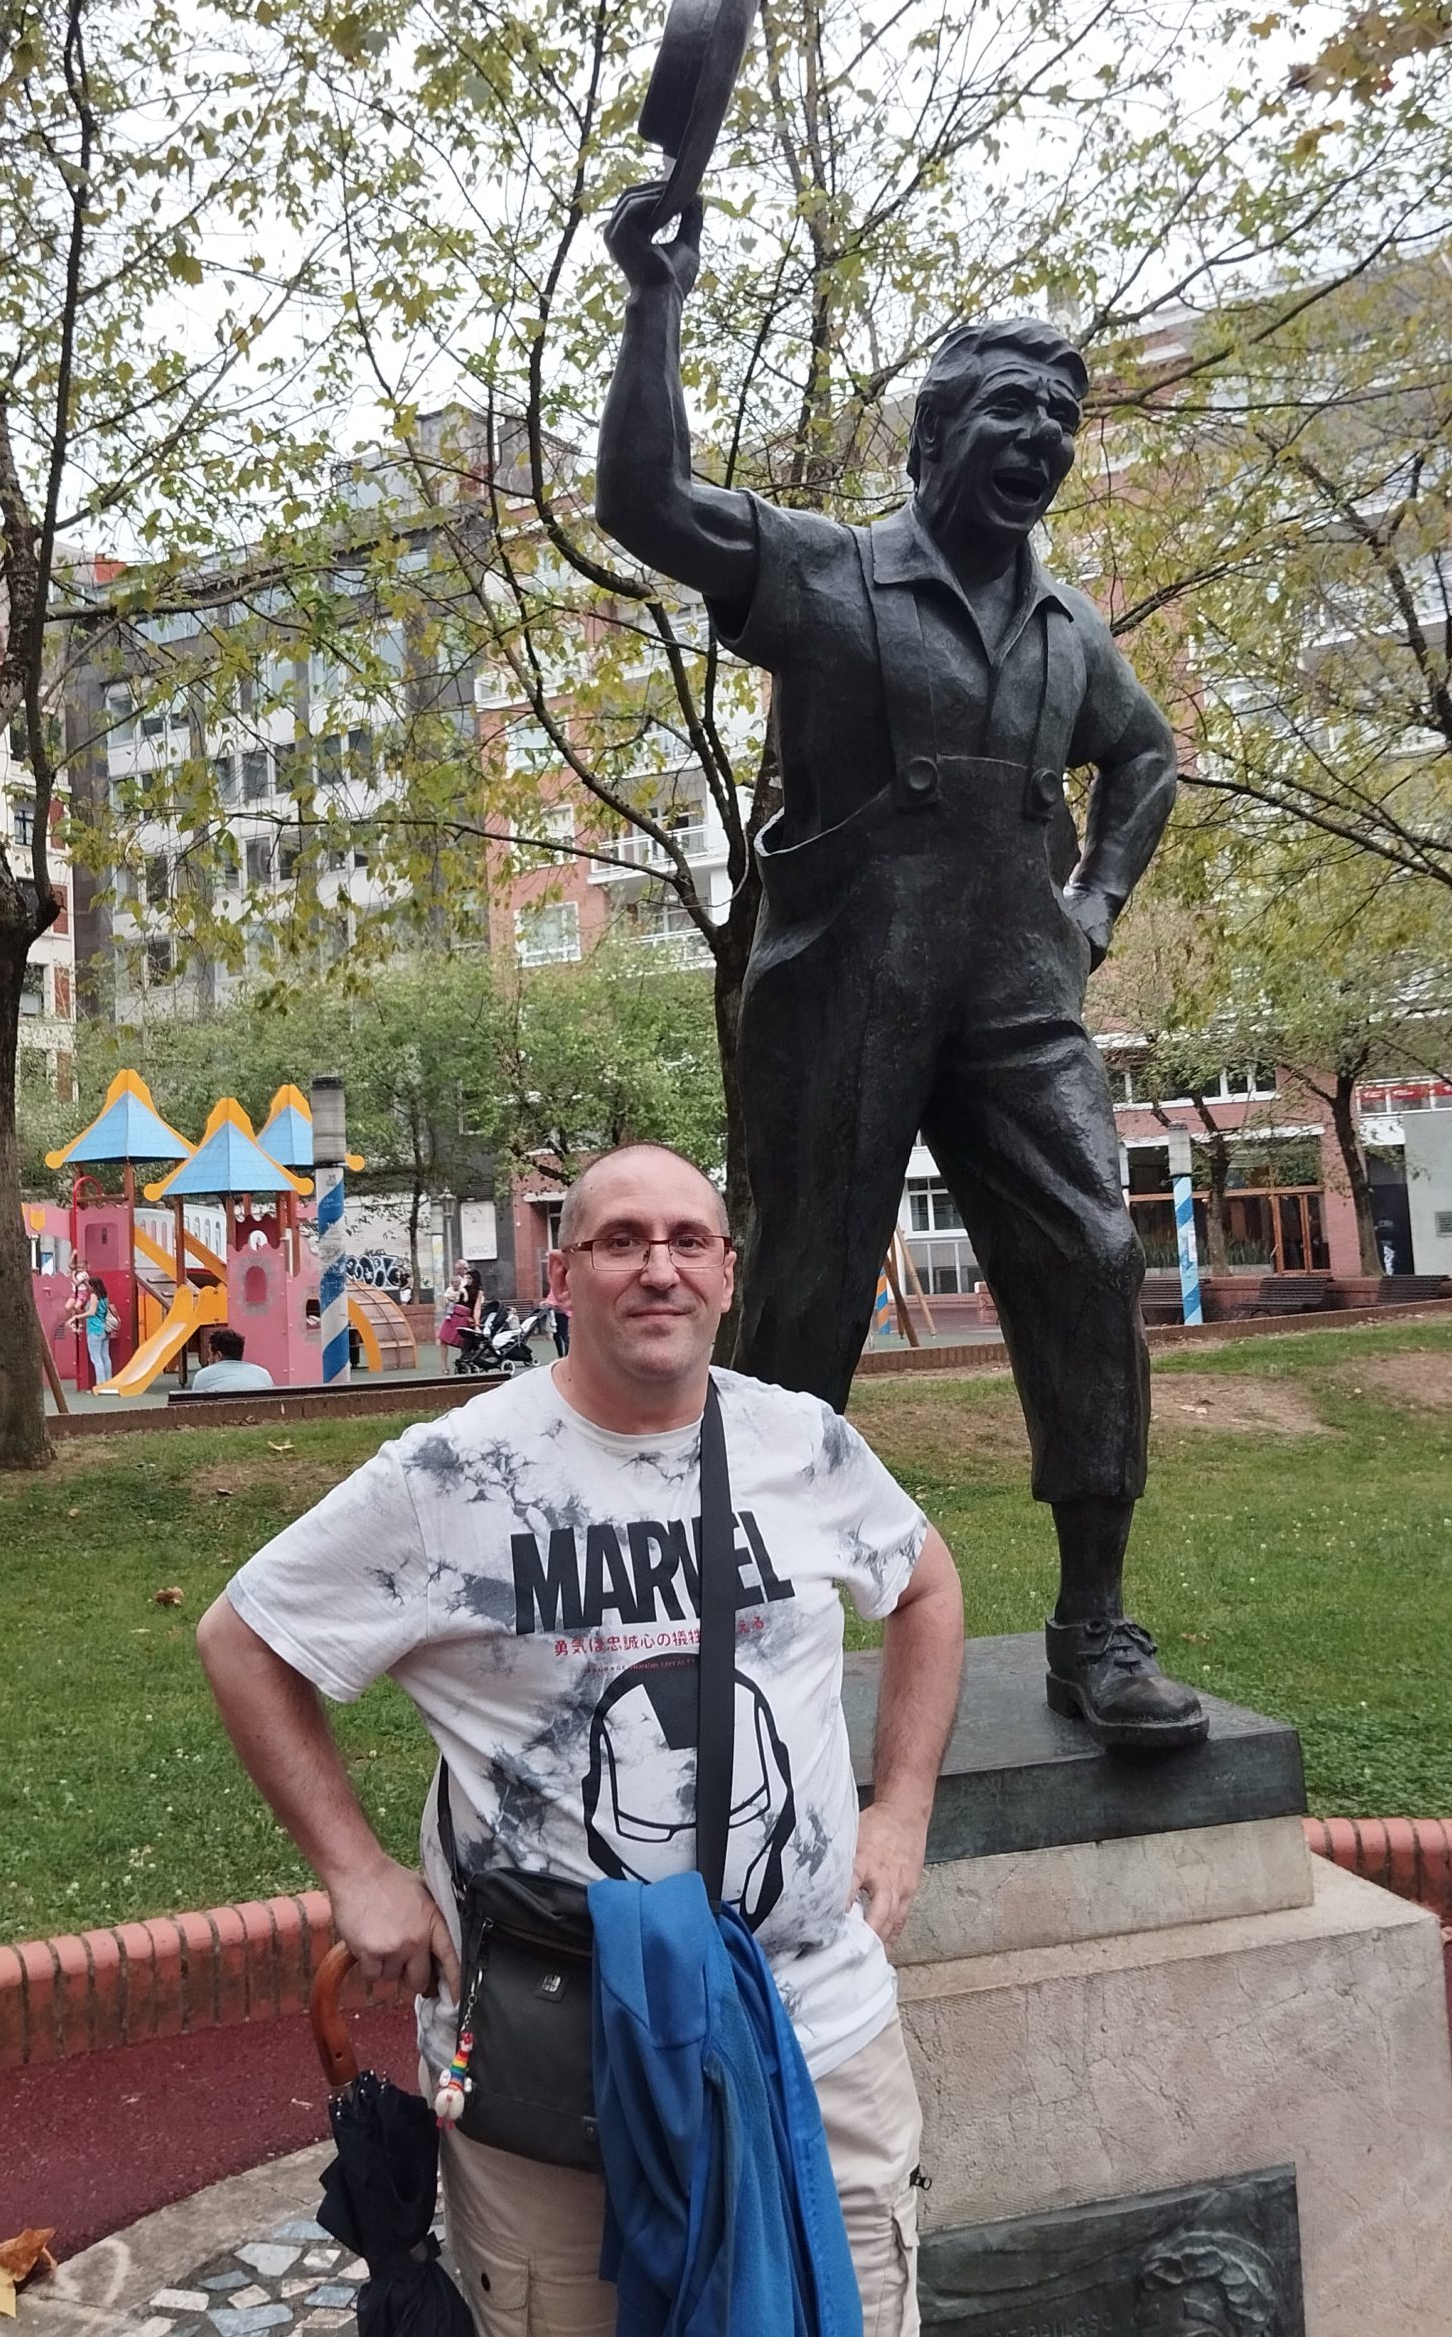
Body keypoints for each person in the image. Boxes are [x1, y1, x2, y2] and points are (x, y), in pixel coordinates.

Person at [594, 183, 1203, 1751]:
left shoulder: (1069, 629)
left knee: (1093, 1261)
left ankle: (1094, 1624)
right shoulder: (827, 573)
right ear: (934, 438)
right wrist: (655, 301)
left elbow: (1145, 761)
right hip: (845, 990)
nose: (1041, 439)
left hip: (1019, 998)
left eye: (1061, 420)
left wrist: (1093, 907)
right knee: (806, 1298)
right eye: (1012, 410)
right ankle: (747, 1617)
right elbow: (647, 501)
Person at [200, 1141, 964, 2337]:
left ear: (725, 1273)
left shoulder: (802, 1444)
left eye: (687, 1241)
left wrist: (902, 1809)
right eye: (620, 1242)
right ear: (561, 1277)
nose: (658, 1268)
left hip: (812, 2034)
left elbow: (925, 1586)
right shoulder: (455, 1473)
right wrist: (354, 1871)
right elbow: (244, 1638)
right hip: (552, 2057)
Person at [188, 1327, 275, 1393]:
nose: (208, 1359)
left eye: (210, 1354)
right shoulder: (263, 1374)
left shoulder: (202, 1376)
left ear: (218, 1356)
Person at [436, 1266, 481, 1375]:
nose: (467, 1280)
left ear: (475, 1279)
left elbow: (477, 1309)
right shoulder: (461, 1287)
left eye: (470, 1278)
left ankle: (464, 1363)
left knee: (463, 1342)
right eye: (466, 1278)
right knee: (443, 1340)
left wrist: (477, 1325)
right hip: (453, 1314)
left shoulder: (478, 1292)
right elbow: (449, 1297)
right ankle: (444, 1367)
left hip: (464, 1317)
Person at [82, 1278, 116, 1388]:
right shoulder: (105, 1298)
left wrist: (77, 1316)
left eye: (89, 1285)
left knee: (96, 1358)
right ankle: (108, 1381)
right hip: (104, 1329)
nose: (88, 1287)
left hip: (94, 1329)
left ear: (93, 1286)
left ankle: (100, 1384)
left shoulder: (94, 1296)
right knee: (105, 1356)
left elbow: (92, 1312)